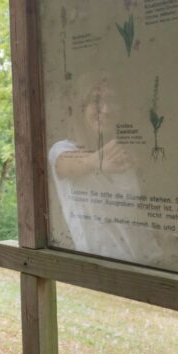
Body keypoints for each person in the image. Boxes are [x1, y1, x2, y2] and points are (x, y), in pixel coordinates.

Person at [48, 75, 162, 263]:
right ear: (81, 107)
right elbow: (67, 166)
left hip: (149, 261)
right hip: (106, 268)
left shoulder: (124, 154)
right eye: (96, 101)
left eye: (113, 101)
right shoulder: (63, 150)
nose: (107, 110)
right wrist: (98, 161)